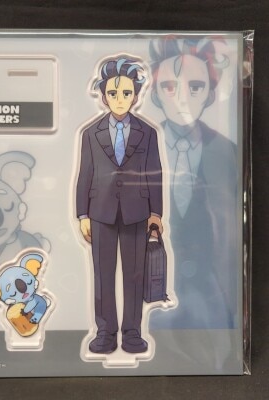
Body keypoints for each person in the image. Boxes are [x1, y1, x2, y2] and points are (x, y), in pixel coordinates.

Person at [149, 37, 238, 329]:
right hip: (150, 294)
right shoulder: (139, 149)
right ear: (155, 93)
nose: (181, 98)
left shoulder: (227, 152)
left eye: (195, 87)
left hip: (214, 301)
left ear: (210, 93)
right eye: (169, 87)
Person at [76, 58, 163, 353]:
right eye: (113, 93)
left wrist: (156, 213)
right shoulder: (91, 133)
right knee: (103, 276)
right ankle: (105, 332)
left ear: (136, 95)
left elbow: (154, 173)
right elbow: (85, 174)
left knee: (134, 275)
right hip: (100, 213)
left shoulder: (147, 132)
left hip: (137, 213)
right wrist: (82, 214)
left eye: (126, 93)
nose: (120, 99)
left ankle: (132, 332)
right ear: (103, 95)